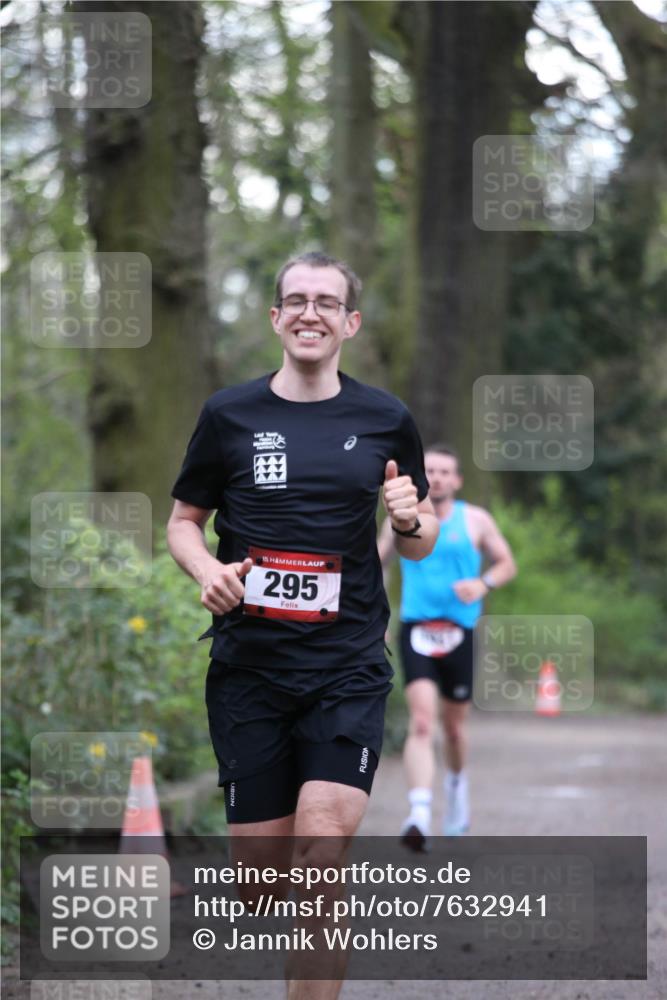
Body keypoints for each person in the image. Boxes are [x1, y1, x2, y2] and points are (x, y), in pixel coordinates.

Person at [167, 251, 438, 999]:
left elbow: (420, 535)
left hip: (345, 665)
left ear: (349, 321)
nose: (308, 312)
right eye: (295, 300)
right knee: (260, 888)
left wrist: (412, 521)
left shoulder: (385, 418)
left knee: (320, 859)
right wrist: (208, 571)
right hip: (249, 670)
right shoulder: (229, 414)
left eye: (325, 301)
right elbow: (184, 523)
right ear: (275, 317)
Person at [378, 444, 516, 850]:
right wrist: (378, 616)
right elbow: (376, 564)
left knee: (454, 728)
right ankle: (419, 813)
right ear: (420, 477)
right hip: (416, 626)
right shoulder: (401, 518)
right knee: (423, 722)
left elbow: (507, 563)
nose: (436, 478)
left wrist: (482, 583)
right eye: (430, 471)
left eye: (444, 472)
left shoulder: (476, 519)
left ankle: (456, 789)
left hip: (460, 631)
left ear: (456, 480)